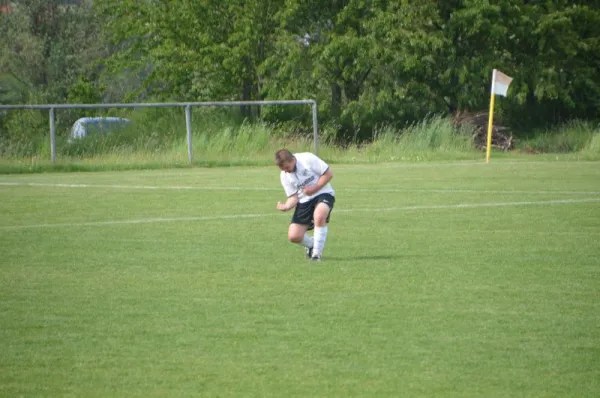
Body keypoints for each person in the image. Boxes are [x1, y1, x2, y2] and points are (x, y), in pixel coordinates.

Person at [275, 148, 335, 261]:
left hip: (323, 193)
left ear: (292, 159)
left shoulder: (307, 159)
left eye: (287, 167)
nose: (286, 171)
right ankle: (312, 245)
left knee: (319, 216)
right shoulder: (284, 175)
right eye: (282, 169)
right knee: (294, 236)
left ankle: (316, 255)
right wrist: (286, 206)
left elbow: (328, 174)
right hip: (304, 201)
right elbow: (293, 197)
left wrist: (314, 188)